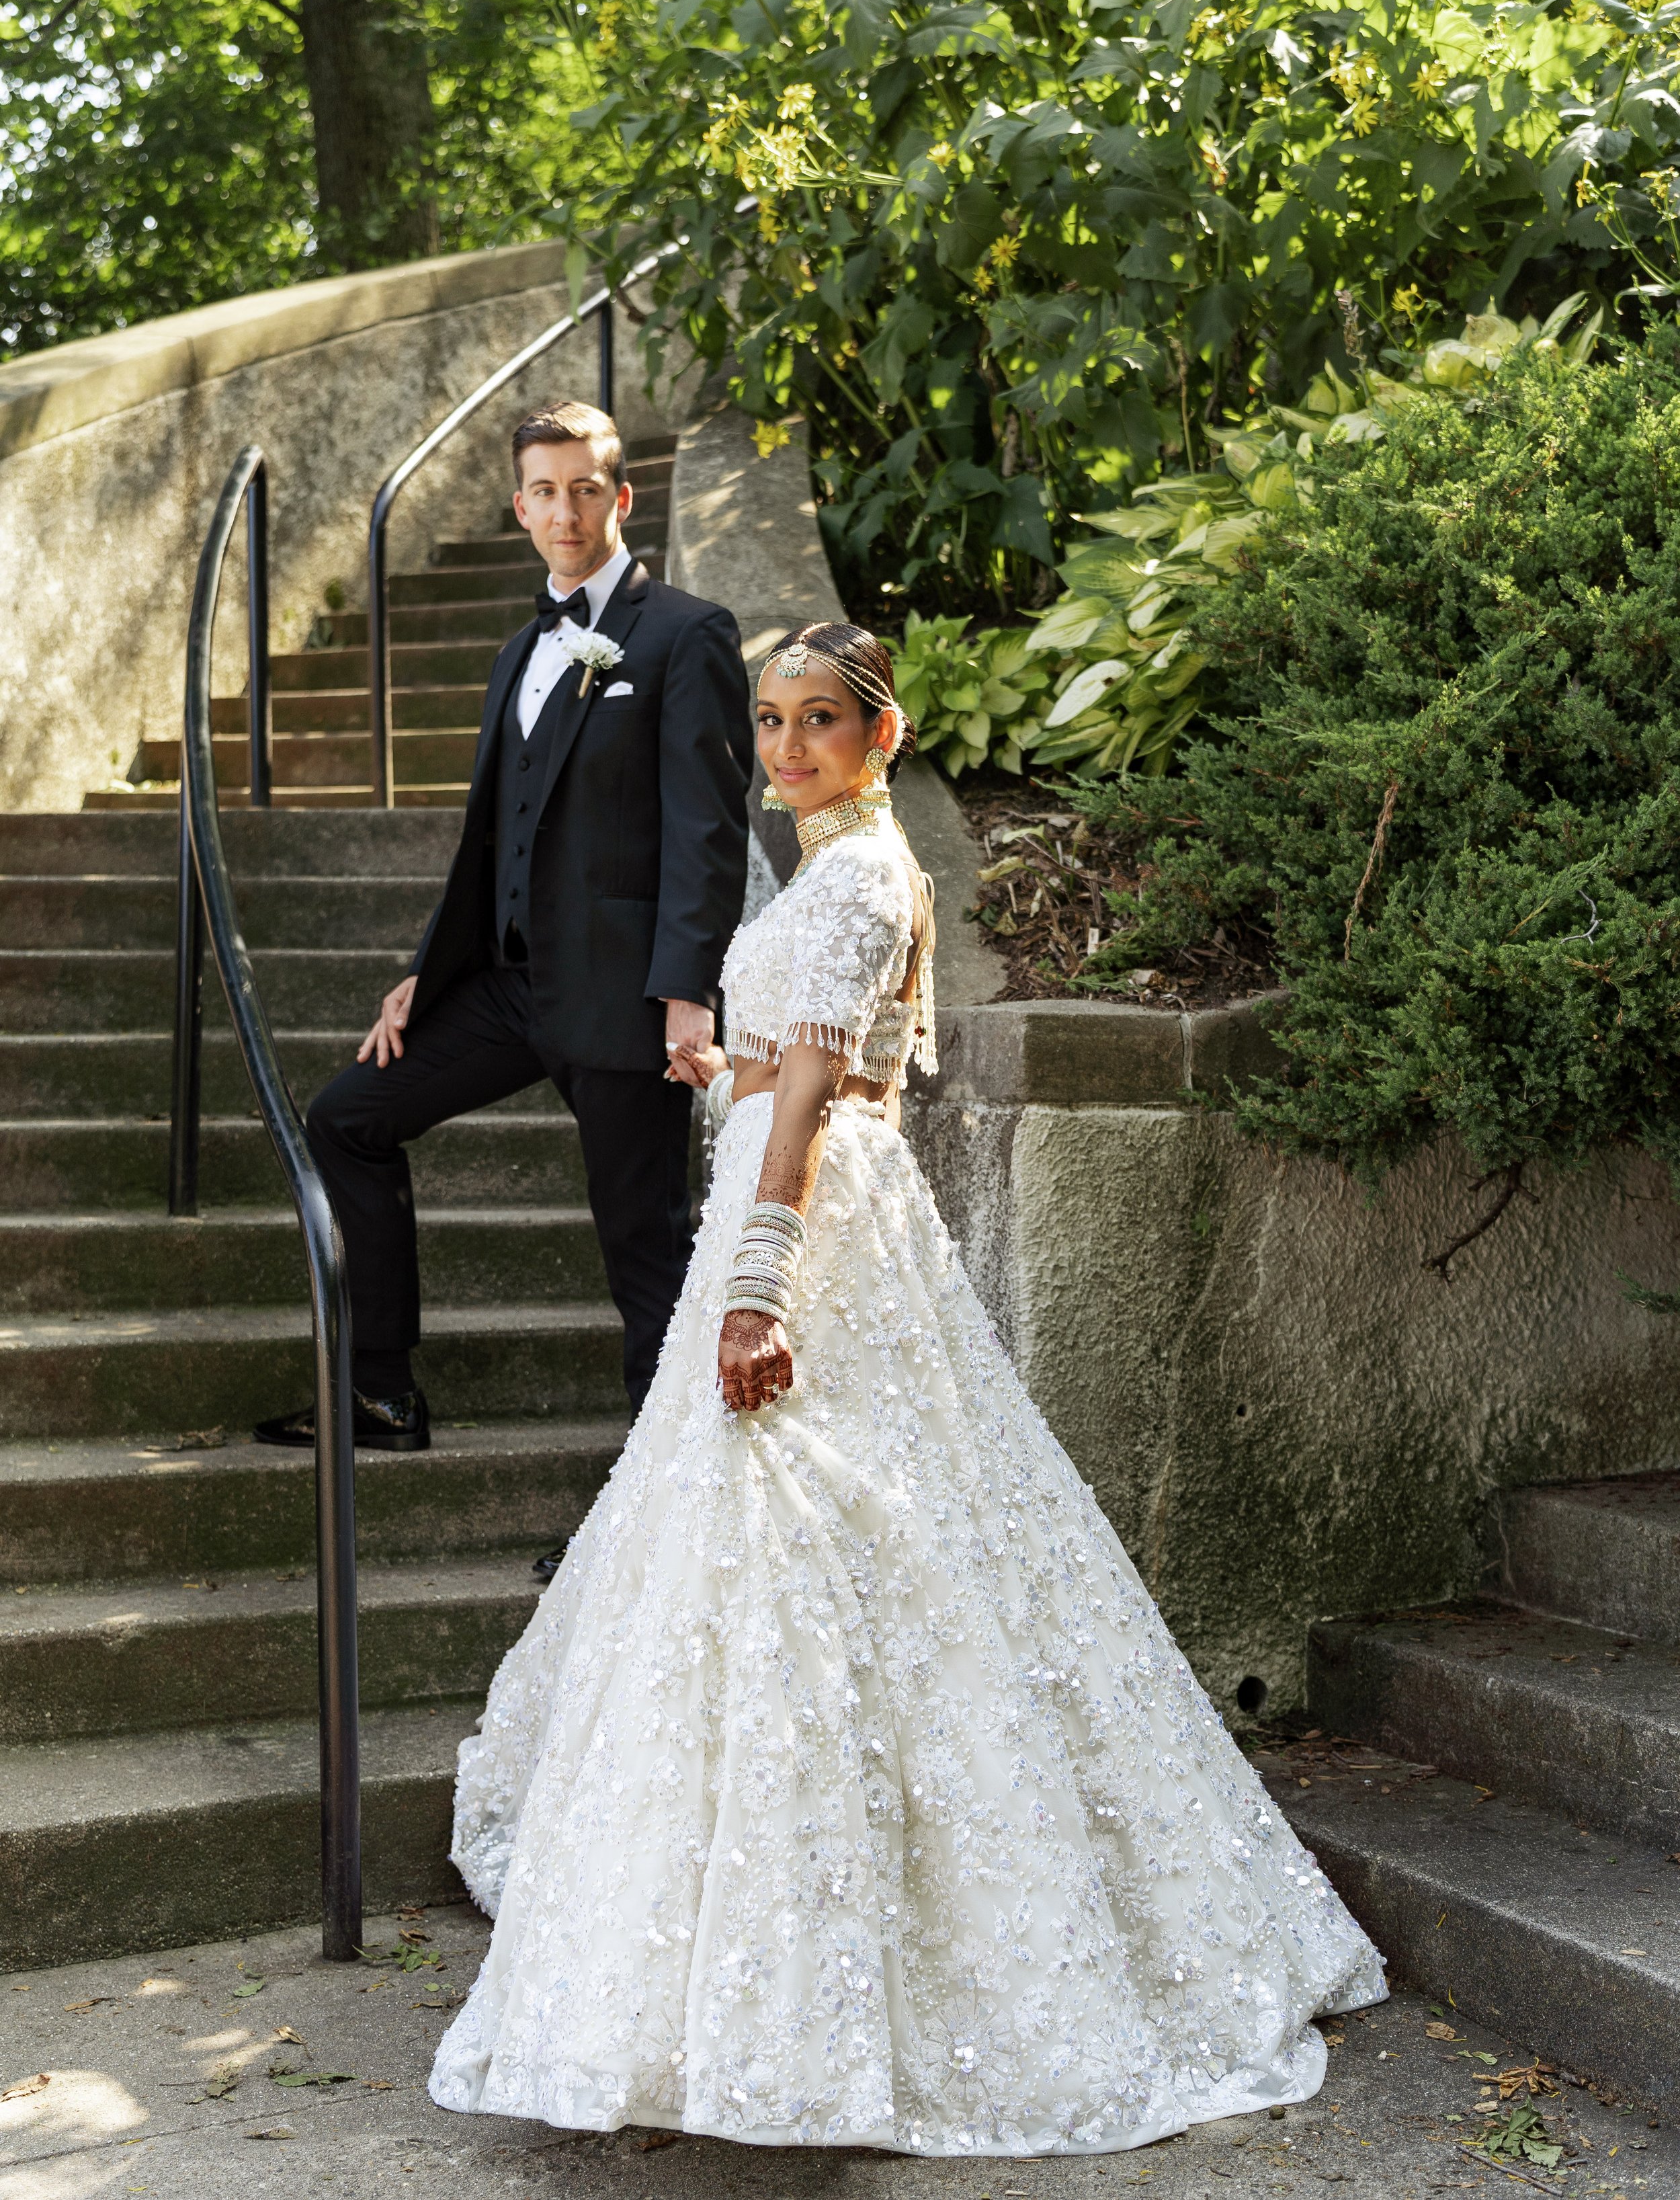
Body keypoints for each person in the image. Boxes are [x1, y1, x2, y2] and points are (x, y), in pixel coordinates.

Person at [425, 620, 1386, 2156]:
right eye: (771, 718)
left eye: (821, 720)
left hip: (804, 1225)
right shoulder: (832, 873)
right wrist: (729, 1073)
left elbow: (820, 1082)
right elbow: (812, 1062)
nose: (789, 744)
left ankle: (822, 1951)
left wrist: (756, 1285)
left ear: (882, 735)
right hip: (795, 1171)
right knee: (768, 1529)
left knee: (797, 1513)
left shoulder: (866, 872)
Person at [254, 400, 752, 1459]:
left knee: (647, 1259)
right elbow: (495, 835)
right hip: (513, 987)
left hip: (626, 999)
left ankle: (659, 1524)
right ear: (517, 505)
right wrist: (425, 975)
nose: (564, 510)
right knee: (349, 1115)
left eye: (584, 489)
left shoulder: (686, 634)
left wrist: (687, 992)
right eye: (543, 490)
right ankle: (379, 1391)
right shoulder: (518, 650)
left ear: (619, 498)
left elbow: (706, 831)